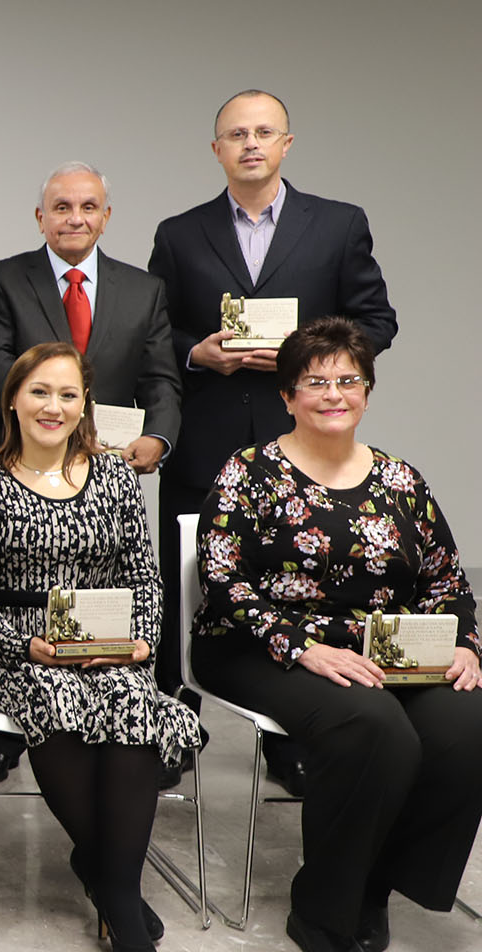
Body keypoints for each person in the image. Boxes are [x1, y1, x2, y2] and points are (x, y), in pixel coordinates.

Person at [191, 317, 481, 952]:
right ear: (288, 395)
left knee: (469, 724)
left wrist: (465, 643)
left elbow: (445, 577)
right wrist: (301, 647)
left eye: (347, 380)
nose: (333, 393)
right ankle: (321, 912)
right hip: (256, 647)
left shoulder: (401, 478)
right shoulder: (249, 473)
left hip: (384, 650)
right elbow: (222, 579)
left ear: (368, 393)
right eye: (314, 381)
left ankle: (375, 881)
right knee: (374, 728)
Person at [150, 90, 398, 776]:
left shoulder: (339, 225)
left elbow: (376, 322)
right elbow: (150, 329)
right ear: (217, 149)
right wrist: (197, 353)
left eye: (264, 132)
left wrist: (314, 356)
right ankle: (175, 726)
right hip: (206, 436)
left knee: (304, 583)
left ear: (287, 143)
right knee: (187, 581)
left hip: (307, 446)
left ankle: (290, 735)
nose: (250, 143)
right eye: (236, 134)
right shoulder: (180, 232)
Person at [0, 341, 199, 952]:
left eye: (66, 394)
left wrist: (141, 638)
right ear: (12, 399)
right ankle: (117, 890)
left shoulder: (114, 476)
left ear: (85, 403)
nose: (52, 406)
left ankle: (104, 872)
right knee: (57, 702)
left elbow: (144, 573)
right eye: (38, 392)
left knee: (136, 709)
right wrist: (23, 644)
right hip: (15, 645)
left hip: (108, 641)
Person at [0, 162, 180, 788]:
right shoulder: (2, 279)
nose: (75, 217)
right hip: (18, 458)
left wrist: (156, 438)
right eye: (61, 207)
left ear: (107, 216)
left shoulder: (145, 290)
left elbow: (162, 378)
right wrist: (52, 414)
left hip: (107, 469)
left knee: (94, 584)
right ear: (41, 217)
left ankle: (108, 730)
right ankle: (6, 736)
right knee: (19, 579)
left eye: (88, 206)